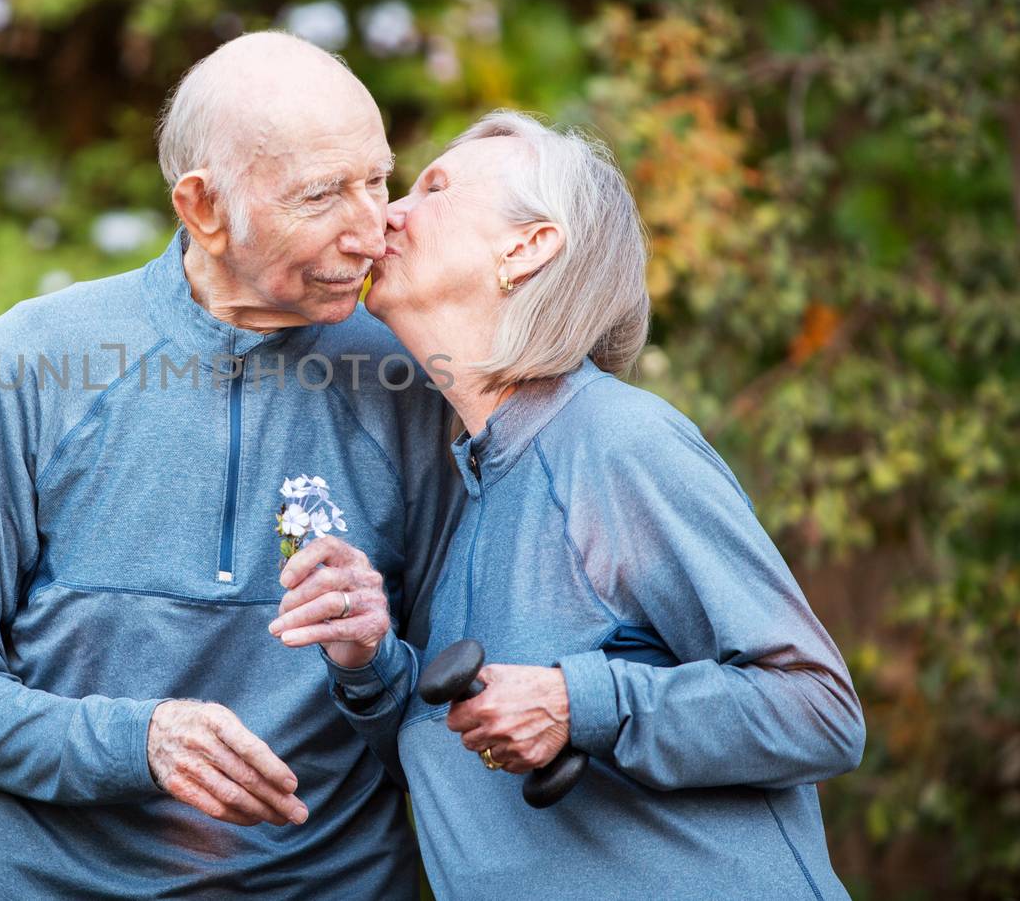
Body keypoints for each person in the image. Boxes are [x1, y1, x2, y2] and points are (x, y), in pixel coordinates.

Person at [0, 31, 463, 898]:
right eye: (321, 195)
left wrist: (373, 662)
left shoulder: (412, 375)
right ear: (202, 208)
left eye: (377, 179)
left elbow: (455, 721)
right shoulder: (35, 358)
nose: (371, 231)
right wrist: (140, 741)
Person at [271, 110, 866, 899]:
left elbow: (820, 710)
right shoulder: (468, 481)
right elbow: (460, 766)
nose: (388, 213)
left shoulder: (615, 440)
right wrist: (371, 659)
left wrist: (577, 698)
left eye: (436, 187)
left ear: (528, 247)